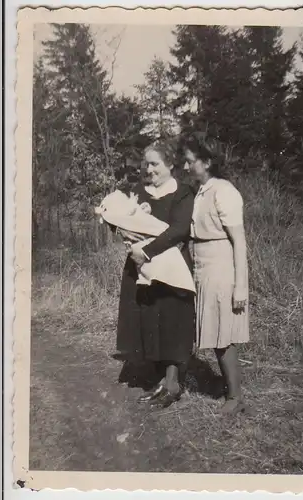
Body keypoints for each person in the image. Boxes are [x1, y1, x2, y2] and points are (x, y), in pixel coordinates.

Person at [116, 139, 195, 408]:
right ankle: (159, 378)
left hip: (171, 269)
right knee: (150, 319)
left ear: (170, 164)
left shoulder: (183, 192)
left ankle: (172, 382)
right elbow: (124, 222)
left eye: (155, 164)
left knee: (172, 320)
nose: (149, 169)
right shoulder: (139, 190)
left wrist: (147, 250)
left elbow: (179, 230)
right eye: (145, 163)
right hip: (141, 268)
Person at [182, 132, 249, 414]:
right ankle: (227, 388)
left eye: (190, 162)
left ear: (206, 161)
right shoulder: (201, 191)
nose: (186, 167)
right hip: (202, 266)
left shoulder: (225, 191)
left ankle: (235, 397)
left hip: (221, 267)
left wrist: (240, 286)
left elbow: (239, 241)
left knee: (224, 334)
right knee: (215, 331)